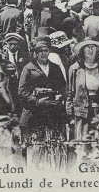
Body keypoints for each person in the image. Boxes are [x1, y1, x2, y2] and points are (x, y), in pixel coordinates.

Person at [18, 35, 67, 167]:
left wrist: (60, 96)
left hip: (52, 114)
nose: (44, 53)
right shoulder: (28, 68)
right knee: (34, 149)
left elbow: (63, 88)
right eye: (40, 51)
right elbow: (22, 92)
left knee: (52, 148)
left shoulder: (55, 68)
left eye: (46, 50)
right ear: (36, 53)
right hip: (34, 114)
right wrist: (37, 101)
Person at [66, 39, 99, 142]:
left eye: (93, 47)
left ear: (97, 50)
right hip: (81, 113)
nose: (90, 50)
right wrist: (70, 115)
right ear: (82, 50)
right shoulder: (75, 68)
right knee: (82, 144)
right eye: (87, 47)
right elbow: (70, 92)